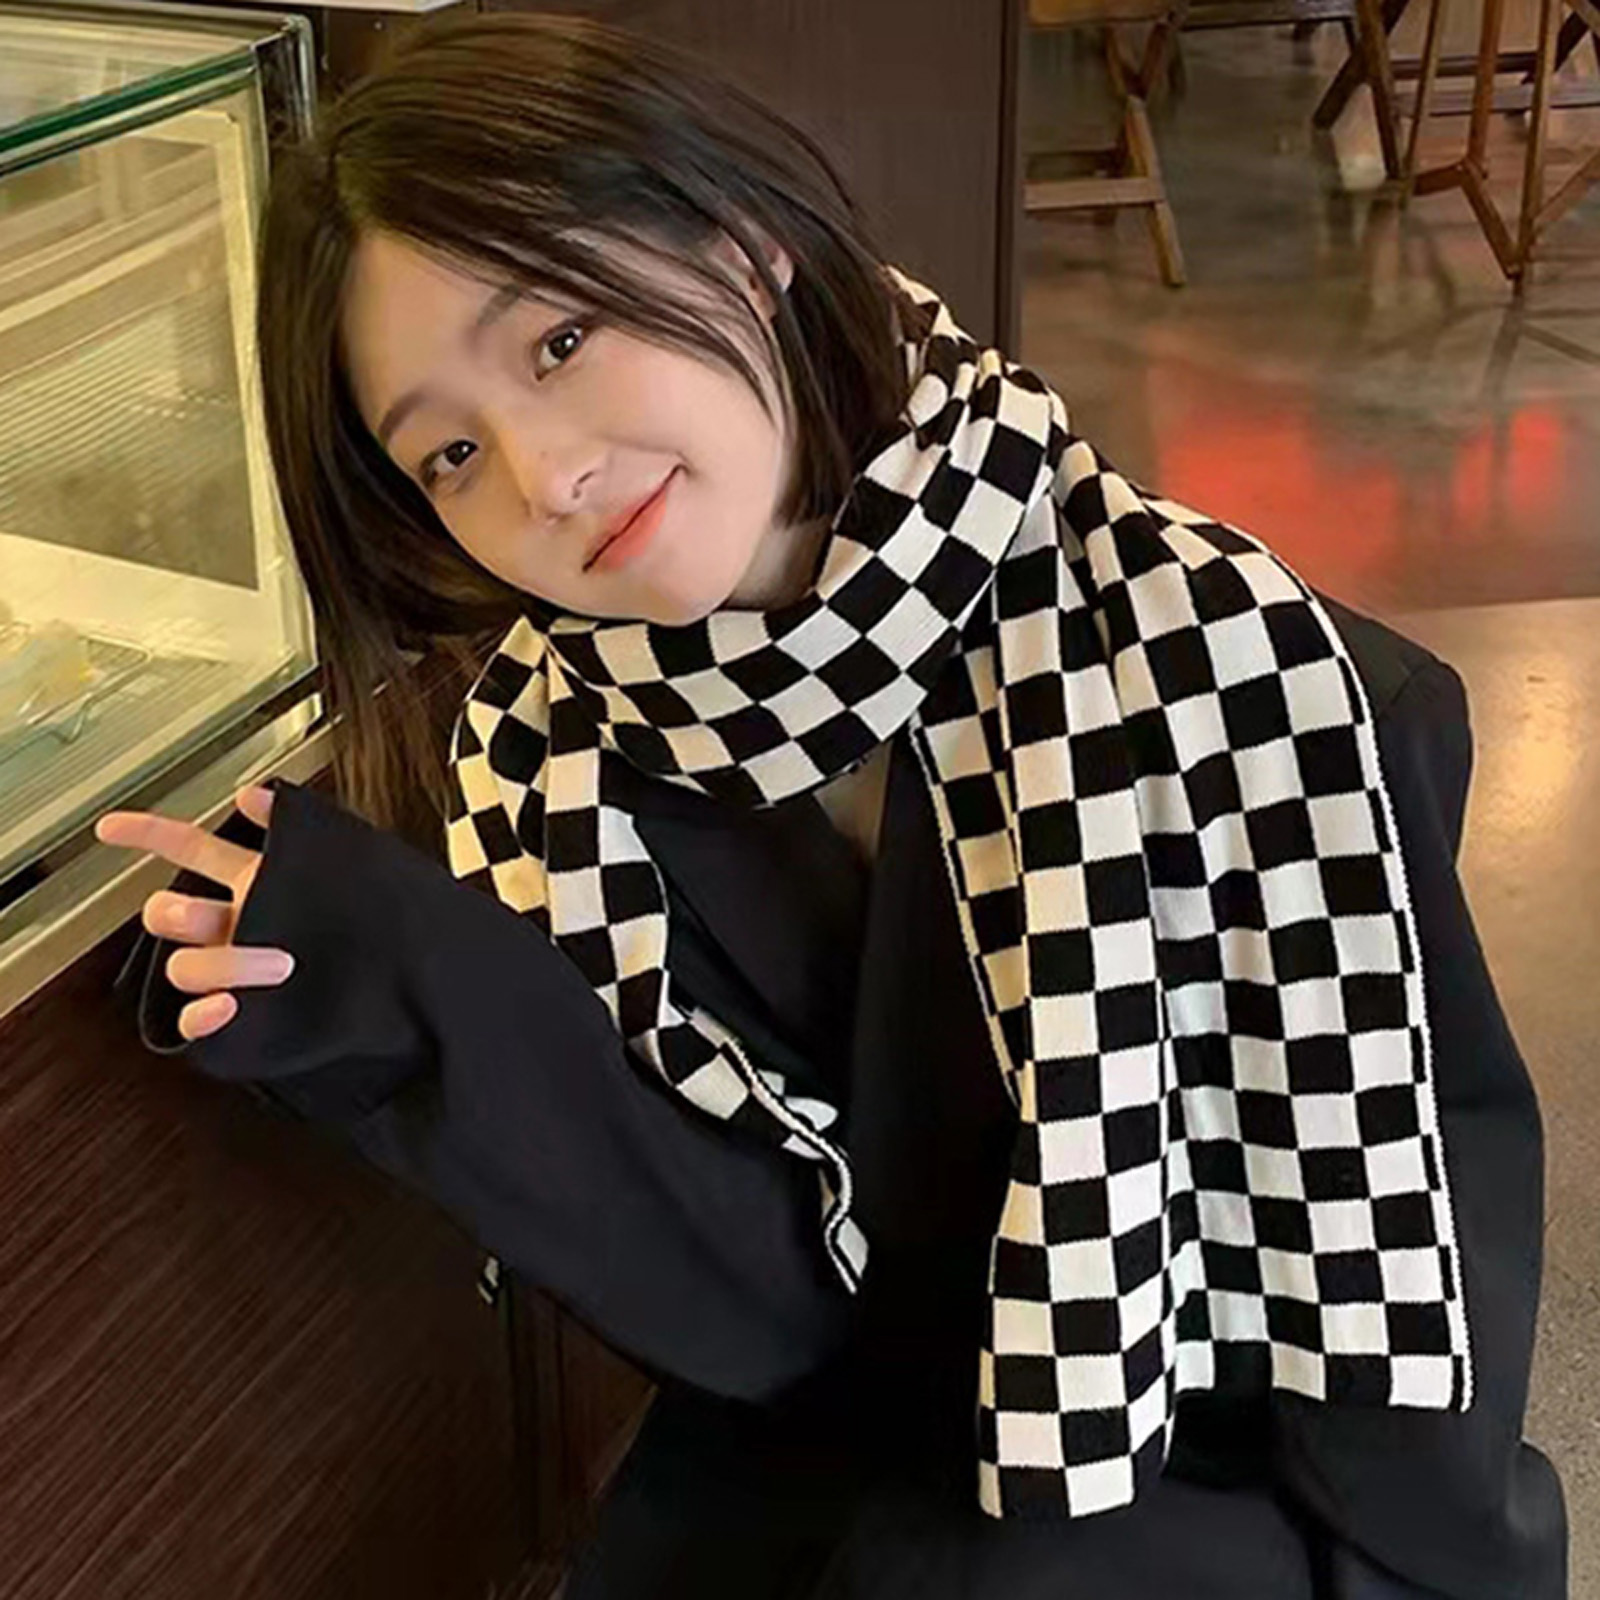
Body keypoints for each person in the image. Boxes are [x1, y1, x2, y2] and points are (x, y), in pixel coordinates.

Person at [98, 15, 1565, 1598]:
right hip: (878, 1437)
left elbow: (1404, 1318)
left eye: (560, 340)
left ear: (742, 244)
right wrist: (391, 979)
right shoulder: (556, 773)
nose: (542, 475)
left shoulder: (1233, 670)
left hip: (1225, 1474)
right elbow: (765, 1309)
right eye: (449, 452)